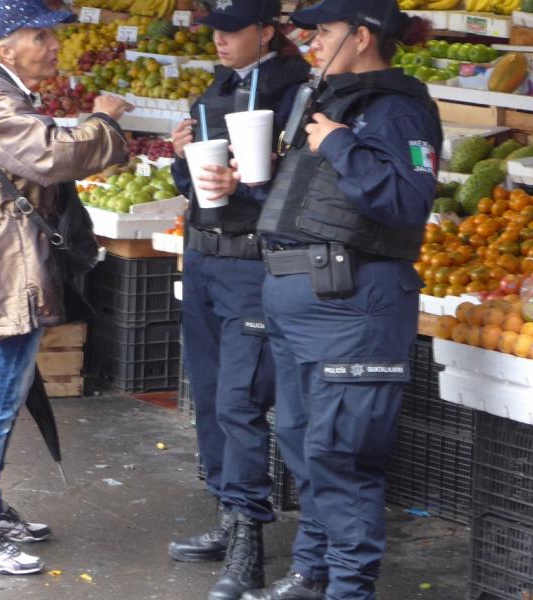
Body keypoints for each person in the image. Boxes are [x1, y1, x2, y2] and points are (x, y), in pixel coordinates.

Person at [0, 0, 131, 576]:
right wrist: (104, 124)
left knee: (1, 395)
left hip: (2, 262)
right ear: (6, 44)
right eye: (42, 36)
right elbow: (48, 154)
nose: (55, 46)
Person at [246, 0, 442, 598]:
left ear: (361, 37)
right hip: (297, 299)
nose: (313, 44)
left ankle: (348, 589)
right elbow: (319, 205)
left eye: (325, 32)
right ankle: (312, 572)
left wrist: (337, 145)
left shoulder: (399, 109)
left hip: (353, 307)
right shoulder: (325, 102)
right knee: (304, 445)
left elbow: (409, 201)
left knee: (342, 455)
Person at [167, 2, 310, 599]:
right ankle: (229, 515)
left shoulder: (298, 92)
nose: (221, 41)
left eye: (233, 31)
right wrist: (182, 157)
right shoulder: (216, 88)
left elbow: (308, 179)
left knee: (239, 399)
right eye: (215, 32)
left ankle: (251, 537)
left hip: (253, 262)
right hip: (201, 256)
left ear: (267, 32)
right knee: (207, 394)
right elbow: (191, 184)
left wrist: (255, 179)